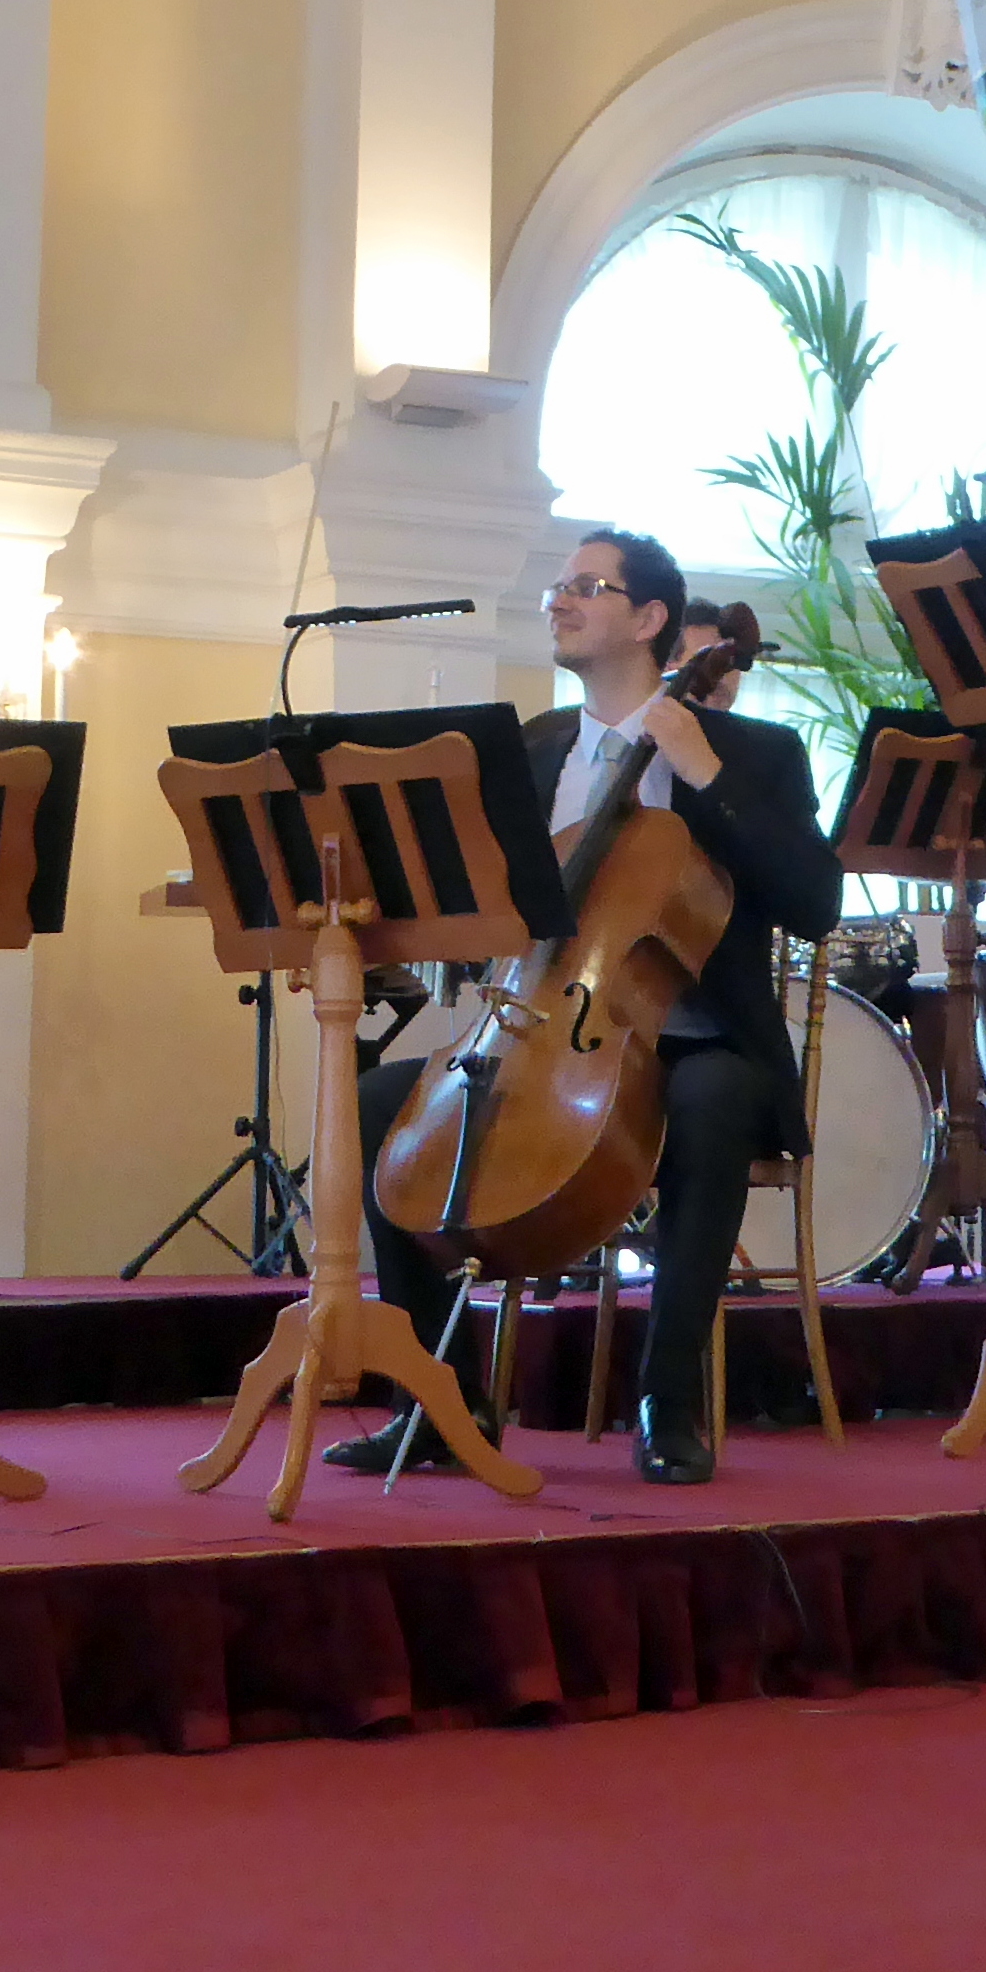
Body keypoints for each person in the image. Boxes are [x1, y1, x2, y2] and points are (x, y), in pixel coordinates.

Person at [331, 529, 842, 1486]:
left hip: (700, 1043)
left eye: (586, 586)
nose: (559, 600)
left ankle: (667, 1399)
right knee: (378, 1103)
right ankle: (438, 1402)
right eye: (558, 587)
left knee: (710, 1100)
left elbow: (816, 903)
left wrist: (705, 774)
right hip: (542, 1036)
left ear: (649, 618)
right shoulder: (534, 749)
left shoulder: (754, 753)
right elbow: (480, 909)